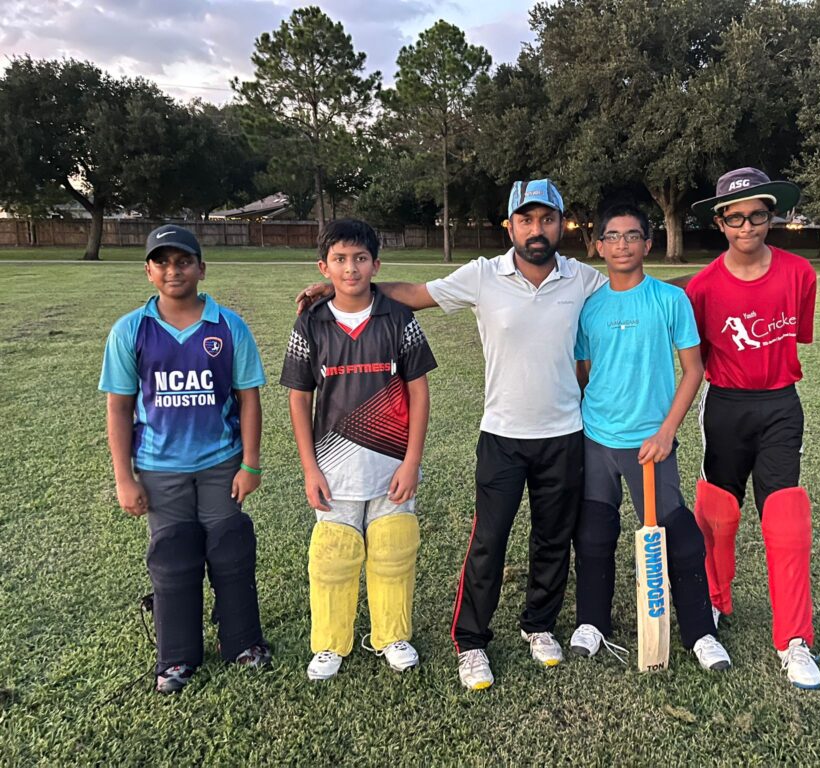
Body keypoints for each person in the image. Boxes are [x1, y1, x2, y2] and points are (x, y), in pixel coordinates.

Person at [296, 179, 607, 690]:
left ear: (561, 224)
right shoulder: (484, 275)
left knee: (553, 538)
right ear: (510, 226)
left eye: (547, 219)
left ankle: (539, 625)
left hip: (564, 433)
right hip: (502, 433)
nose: (536, 229)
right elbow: (416, 295)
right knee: (489, 541)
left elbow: (633, 291)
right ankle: (471, 640)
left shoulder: (582, 277)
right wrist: (343, 287)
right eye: (526, 220)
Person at [100, 224, 270, 694]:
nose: (173, 271)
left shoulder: (228, 326)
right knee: (173, 556)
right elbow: (118, 408)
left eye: (183, 261)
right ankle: (176, 657)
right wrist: (124, 478)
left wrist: (250, 463)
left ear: (201, 268)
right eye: (162, 263)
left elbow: (249, 399)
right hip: (159, 468)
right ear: (148, 272)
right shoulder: (131, 330)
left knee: (230, 549)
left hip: (221, 462)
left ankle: (242, 642)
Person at [570, 203, 731, 672]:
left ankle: (700, 633)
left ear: (648, 243)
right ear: (599, 246)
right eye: (613, 236)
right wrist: (596, 417)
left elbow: (693, 370)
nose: (622, 244)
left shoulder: (669, 300)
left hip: (650, 444)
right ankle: (592, 622)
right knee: (594, 532)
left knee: (679, 536)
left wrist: (666, 432)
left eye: (632, 236)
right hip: (597, 440)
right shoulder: (590, 307)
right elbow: (584, 372)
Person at [281, 219, 437, 681]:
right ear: (324, 267)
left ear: (376, 265)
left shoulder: (398, 318)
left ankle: (393, 636)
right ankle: (330, 644)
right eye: (340, 259)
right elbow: (298, 398)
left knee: (394, 549)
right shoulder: (311, 323)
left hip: (392, 464)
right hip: (333, 468)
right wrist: (310, 468)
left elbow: (419, 392)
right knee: (333, 556)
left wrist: (412, 461)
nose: (351, 268)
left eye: (360, 259)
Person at [686, 167, 820, 689]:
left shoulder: (800, 274)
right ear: (720, 223)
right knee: (717, 513)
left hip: (781, 405)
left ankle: (794, 640)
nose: (748, 227)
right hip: (725, 405)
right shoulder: (701, 288)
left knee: (787, 519)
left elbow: (797, 336)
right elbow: (697, 359)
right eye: (736, 218)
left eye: (758, 216)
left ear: (772, 217)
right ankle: (714, 600)